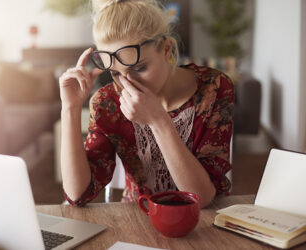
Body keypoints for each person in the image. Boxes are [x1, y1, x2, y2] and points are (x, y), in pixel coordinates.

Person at [58, 0, 234, 208]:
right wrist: (70, 108)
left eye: (139, 68)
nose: (127, 83)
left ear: (167, 49)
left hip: (203, 225)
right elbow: (78, 194)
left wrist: (158, 120)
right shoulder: (109, 103)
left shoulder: (213, 88)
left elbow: (202, 198)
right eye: (115, 73)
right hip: (138, 217)